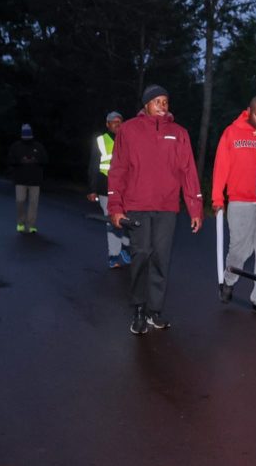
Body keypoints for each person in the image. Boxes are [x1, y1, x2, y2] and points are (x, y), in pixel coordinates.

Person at [108, 85, 203, 335]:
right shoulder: (129, 130)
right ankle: (139, 309)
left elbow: (189, 173)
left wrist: (195, 208)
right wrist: (115, 207)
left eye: (166, 101)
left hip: (167, 207)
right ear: (146, 105)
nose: (162, 105)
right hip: (137, 206)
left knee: (161, 257)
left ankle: (154, 311)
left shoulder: (179, 133)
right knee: (141, 255)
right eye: (157, 101)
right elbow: (117, 171)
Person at [213, 96, 256, 315]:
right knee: (240, 250)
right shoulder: (232, 132)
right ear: (248, 111)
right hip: (240, 202)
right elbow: (221, 166)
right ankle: (229, 280)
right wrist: (217, 199)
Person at [87, 111, 130, 268]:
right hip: (105, 187)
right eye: (113, 122)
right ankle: (113, 255)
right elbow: (93, 164)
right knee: (112, 221)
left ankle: (125, 247)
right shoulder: (101, 140)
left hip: (127, 188)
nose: (117, 124)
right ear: (107, 124)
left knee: (128, 220)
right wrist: (92, 189)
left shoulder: (129, 139)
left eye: (119, 121)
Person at [8, 124, 48, 233]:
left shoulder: (38, 147)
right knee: (20, 200)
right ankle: (21, 222)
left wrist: (35, 160)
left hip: (35, 179)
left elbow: (45, 160)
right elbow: (11, 160)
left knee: (33, 203)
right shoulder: (16, 146)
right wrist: (21, 161)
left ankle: (31, 225)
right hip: (20, 179)